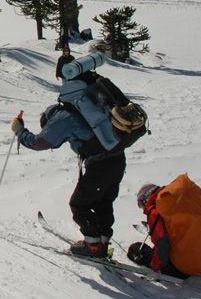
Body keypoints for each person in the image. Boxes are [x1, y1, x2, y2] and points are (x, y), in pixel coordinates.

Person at [10, 71, 127, 258]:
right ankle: (102, 241)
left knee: (79, 204)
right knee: (103, 202)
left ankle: (93, 246)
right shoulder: (87, 108)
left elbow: (40, 142)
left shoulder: (62, 118)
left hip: (101, 164)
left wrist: (19, 131)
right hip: (117, 157)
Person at [127, 184, 190, 278]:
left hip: (179, 269)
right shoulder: (175, 201)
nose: (143, 208)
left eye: (141, 204)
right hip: (200, 256)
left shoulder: (155, 212)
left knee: (134, 249)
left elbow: (163, 244)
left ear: (146, 198)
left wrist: (155, 265)